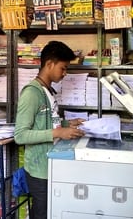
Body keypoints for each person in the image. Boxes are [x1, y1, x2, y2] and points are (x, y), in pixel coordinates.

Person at [14, 40, 85, 219]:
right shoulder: (31, 93)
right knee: (42, 213)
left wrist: (68, 124)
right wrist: (58, 132)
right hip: (39, 171)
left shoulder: (48, 91)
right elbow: (20, 135)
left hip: (52, 165)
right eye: (63, 68)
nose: (65, 73)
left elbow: (49, 122)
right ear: (49, 64)